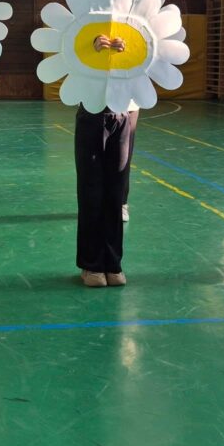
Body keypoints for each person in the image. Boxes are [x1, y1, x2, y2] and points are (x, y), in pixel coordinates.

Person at [74, 33, 137, 287]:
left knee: (115, 192)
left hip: (123, 112)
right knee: (91, 190)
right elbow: (70, 53)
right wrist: (91, 47)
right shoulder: (86, 23)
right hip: (92, 111)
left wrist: (129, 48)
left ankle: (113, 263)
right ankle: (91, 264)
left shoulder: (133, 24)